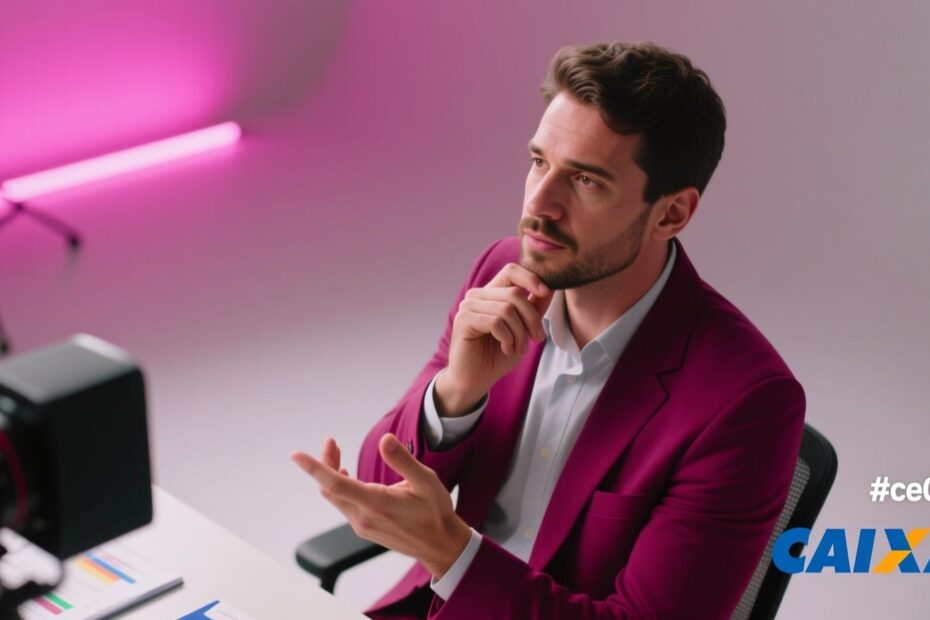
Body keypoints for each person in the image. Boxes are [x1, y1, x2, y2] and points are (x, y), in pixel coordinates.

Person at [293, 41, 805, 619]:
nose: (539, 204)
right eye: (539, 162)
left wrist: (450, 553)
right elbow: (380, 486)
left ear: (671, 213)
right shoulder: (502, 274)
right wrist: (457, 392)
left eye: (586, 181)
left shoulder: (746, 403)